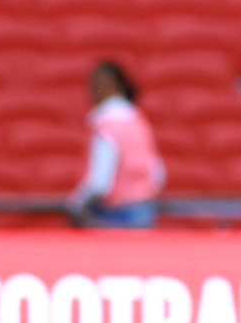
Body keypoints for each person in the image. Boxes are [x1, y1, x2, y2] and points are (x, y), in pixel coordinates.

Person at [67, 60, 166, 228]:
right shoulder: (138, 121)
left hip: (116, 214)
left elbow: (100, 183)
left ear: (108, 86)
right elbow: (158, 172)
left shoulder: (106, 125)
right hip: (144, 209)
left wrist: (76, 203)